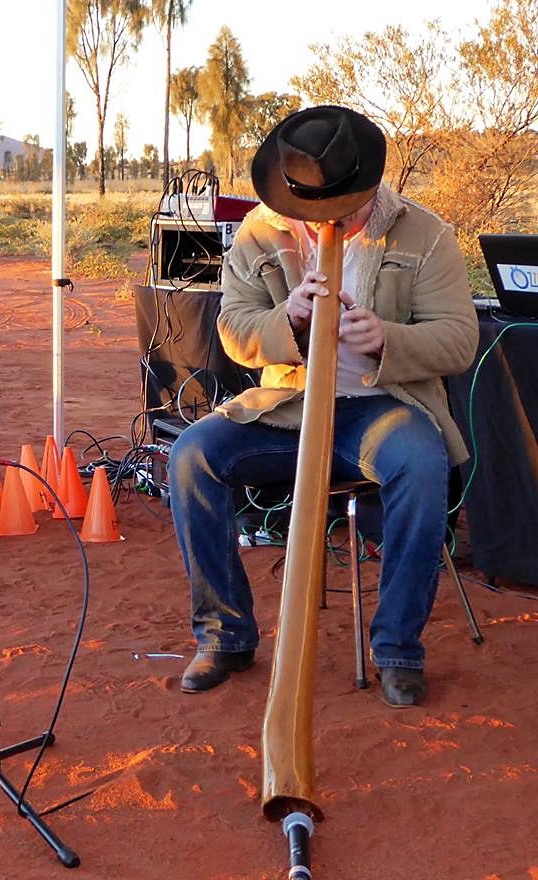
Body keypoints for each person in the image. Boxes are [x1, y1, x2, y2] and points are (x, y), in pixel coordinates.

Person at [167, 105, 479, 707]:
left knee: (421, 463)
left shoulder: (425, 234)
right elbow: (233, 330)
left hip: (383, 403)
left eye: (337, 211)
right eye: (306, 210)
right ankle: (224, 634)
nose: (321, 224)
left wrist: (388, 338)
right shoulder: (260, 232)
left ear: (364, 189)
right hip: (288, 402)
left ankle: (396, 650)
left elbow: (460, 339)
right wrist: (288, 319)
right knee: (191, 456)